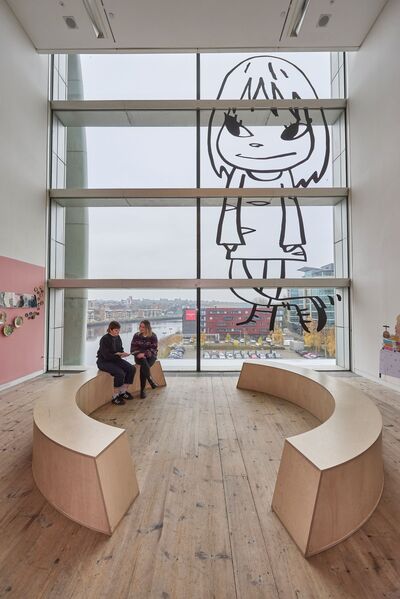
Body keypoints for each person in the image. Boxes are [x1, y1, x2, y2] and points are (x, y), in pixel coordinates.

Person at [207, 55, 339, 332]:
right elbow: (231, 206)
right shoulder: (238, 174)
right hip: (247, 233)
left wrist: (292, 240)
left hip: (276, 235)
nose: (258, 144)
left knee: (274, 273)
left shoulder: (285, 175)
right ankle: (272, 308)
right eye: (236, 128)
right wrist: (230, 237)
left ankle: (267, 312)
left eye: (290, 131)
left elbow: (289, 207)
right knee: (240, 277)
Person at [97, 321, 136, 406]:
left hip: (115, 359)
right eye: (116, 331)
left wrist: (122, 353)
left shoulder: (118, 337)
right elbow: (106, 356)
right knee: (120, 373)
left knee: (132, 369)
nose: (117, 333)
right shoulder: (104, 339)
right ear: (110, 329)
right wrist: (118, 355)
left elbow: (120, 349)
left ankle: (123, 392)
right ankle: (115, 396)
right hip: (104, 362)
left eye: (118, 331)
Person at [130, 320, 158, 399]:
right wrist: (139, 354)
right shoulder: (136, 335)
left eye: (143, 327)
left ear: (147, 328)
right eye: (140, 326)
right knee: (143, 361)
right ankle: (150, 381)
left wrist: (144, 354)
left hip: (151, 357)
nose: (141, 328)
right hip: (139, 357)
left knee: (143, 367)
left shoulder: (153, 336)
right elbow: (132, 349)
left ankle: (142, 390)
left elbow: (154, 349)